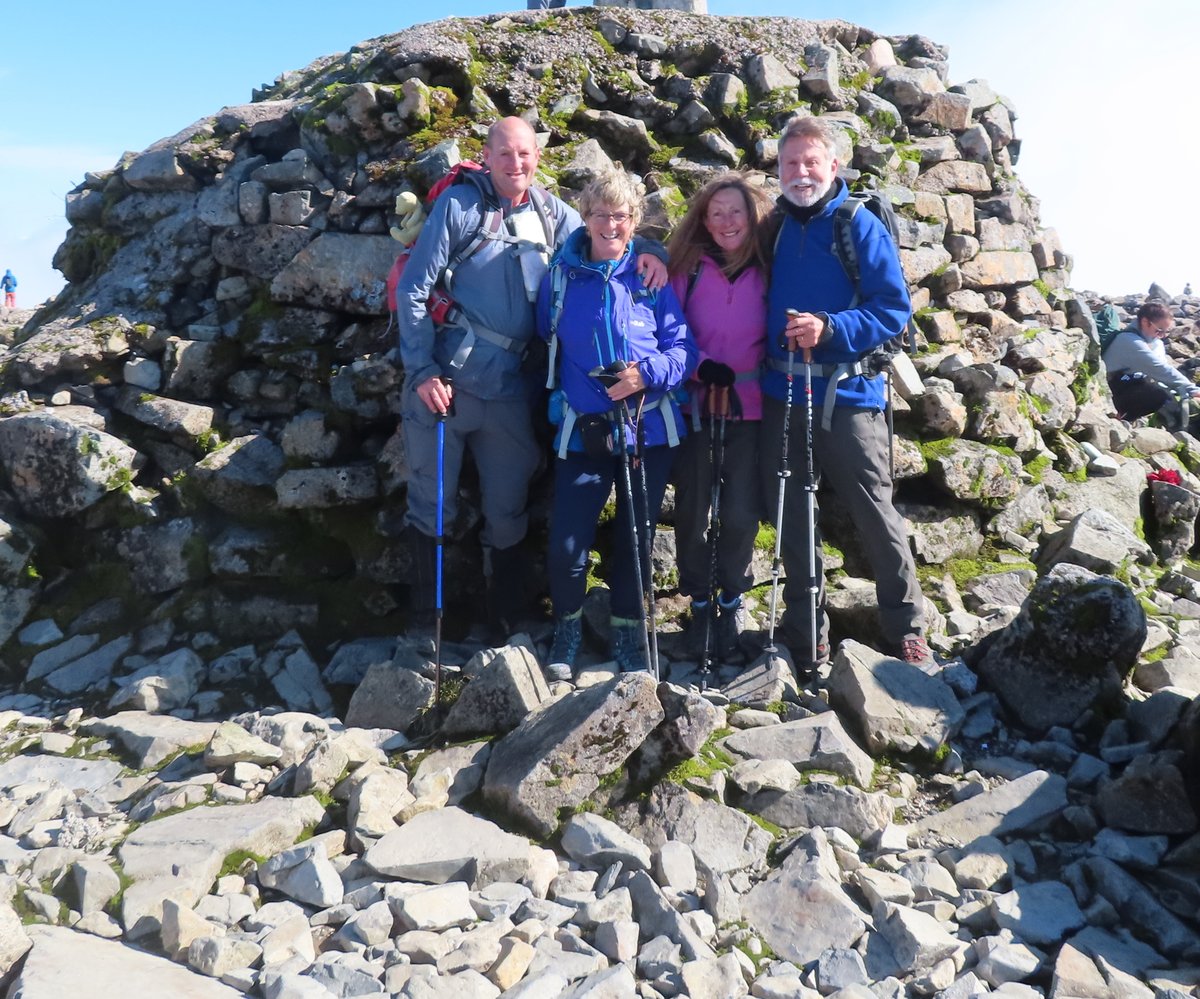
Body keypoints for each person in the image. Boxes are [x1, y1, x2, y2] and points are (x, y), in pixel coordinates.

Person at [395, 117, 666, 643]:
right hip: (447, 382)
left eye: (525, 154)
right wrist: (422, 370)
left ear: (536, 157)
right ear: (488, 156)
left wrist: (655, 254)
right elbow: (412, 290)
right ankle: (425, 627)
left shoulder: (553, 213)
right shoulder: (459, 207)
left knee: (507, 508)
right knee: (433, 502)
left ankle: (505, 622)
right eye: (505, 154)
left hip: (512, 391)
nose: (516, 164)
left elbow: (608, 236)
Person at [758, 115, 931, 671]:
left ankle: (907, 627)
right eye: (790, 164)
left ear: (834, 166)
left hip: (849, 396)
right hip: (781, 393)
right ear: (778, 169)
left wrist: (830, 329)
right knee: (792, 515)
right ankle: (807, 633)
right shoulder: (774, 227)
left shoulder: (856, 223)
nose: (801, 173)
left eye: (811, 162)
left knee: (874, 511)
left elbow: (892, 308)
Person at [536, 169, 696, 678]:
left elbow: (684, 349)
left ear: (635, 221)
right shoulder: (560, 278)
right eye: (601, 214)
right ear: (584, 217)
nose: (611, 224)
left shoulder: (650, 277)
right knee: (567, 544)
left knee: (634, 537)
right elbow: (544, 335)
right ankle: (568, 629)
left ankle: (628, 630)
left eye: (622, 215)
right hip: (583, 429)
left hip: (647, 430)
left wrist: (644, 375)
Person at [665, 172, 772, 664]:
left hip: (750, 407)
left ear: (752, 216)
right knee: (691, 510)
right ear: (703, 221)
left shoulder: (771, 267)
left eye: (736, 212)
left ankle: (730, 598)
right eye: (717, 213)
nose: (727, 222)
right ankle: (700, 601)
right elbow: (667, 329)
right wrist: (699, 364)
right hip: (697, 403)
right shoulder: (686, 267)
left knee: (740, 513)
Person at [1104, 300, 1200, 430]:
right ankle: (1119, 421)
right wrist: (1193, 390)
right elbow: (1160, 370)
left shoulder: (1155, 342)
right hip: (1110, 390)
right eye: (1159, 330)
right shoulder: (1129, 342)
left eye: (1166, 332)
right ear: (1145, 322)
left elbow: (1161, 372)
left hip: (1129, 382)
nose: (1162, 336)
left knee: (1168, 396)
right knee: (1158, 394)